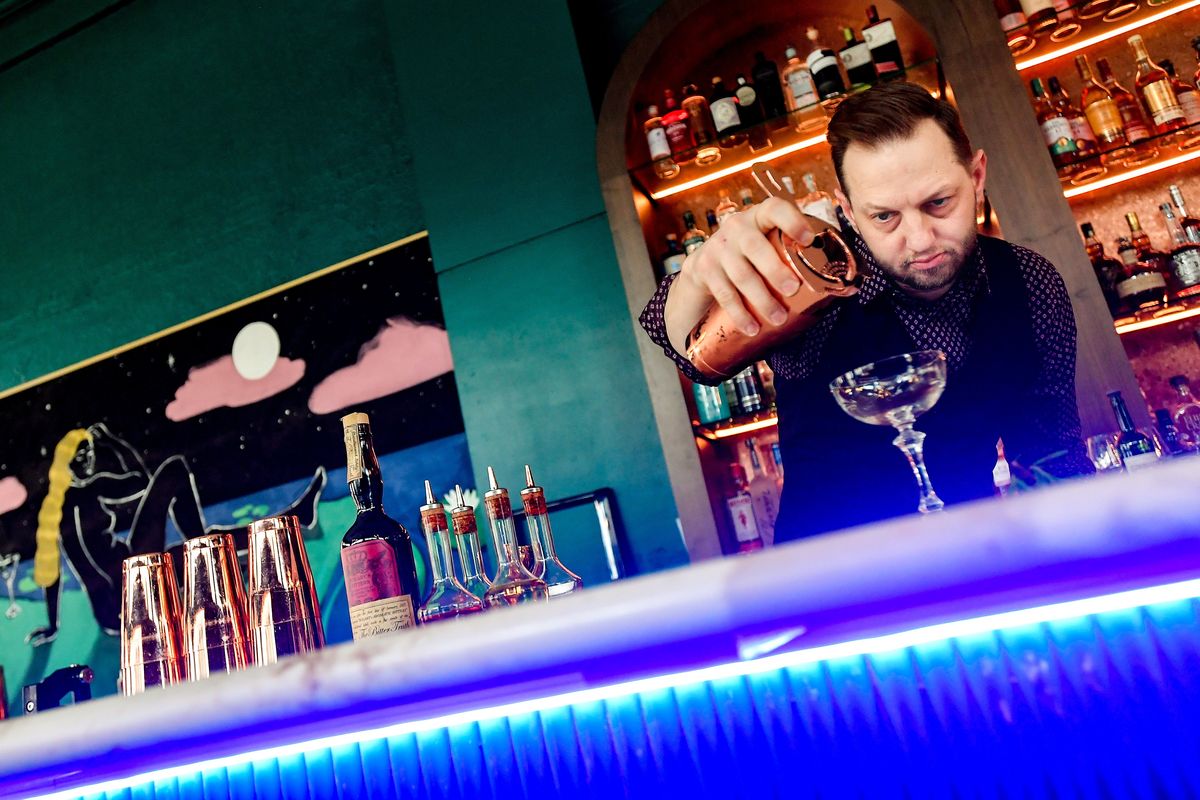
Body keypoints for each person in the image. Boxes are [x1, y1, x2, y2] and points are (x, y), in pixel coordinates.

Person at [640, 82, 1093, 543]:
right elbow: (689, 355)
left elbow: (1053, 454)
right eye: (884, 217)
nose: (919, 239)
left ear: (976, 177)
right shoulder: (815, 285)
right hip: (833, 588)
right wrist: (697, 278)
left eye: (938, 203)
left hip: (974, 561)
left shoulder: (1027, 280)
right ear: (848, 212)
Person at [26, 423, 325, 644]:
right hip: (131, 590)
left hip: (122, 590)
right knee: (174, 472)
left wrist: (53, 626)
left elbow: (50, 576)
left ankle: (206, 547)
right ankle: (207, 548)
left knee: (175, 474)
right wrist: (114, 443)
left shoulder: (55, 510)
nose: (87, 460)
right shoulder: (86, 492)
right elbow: (140, 480)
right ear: (65, 463)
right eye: (81, 456)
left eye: (88, 452)